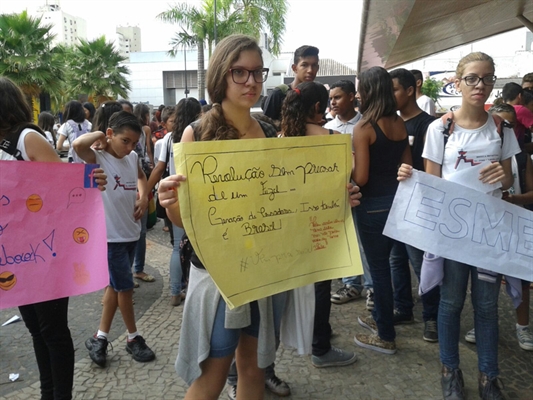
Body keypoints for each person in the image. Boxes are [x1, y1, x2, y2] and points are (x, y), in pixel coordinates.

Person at [398, 52, 521, 400]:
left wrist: (504, 175)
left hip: (488, 234)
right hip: (453, 236)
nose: (479, 85)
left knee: (486, 306)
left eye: (486, 78)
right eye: (472, 78)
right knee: (451, 303)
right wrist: (409, 177)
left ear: (493, 81)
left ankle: (488, 377)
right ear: (458, 82)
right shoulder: (441, 129)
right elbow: (431, 185)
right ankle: (449, 371)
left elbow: (509, 177)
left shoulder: (501, 127)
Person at [0, 76, 107, 400]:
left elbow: (62, 186)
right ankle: (49, 393)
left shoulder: (27, 138)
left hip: (44, 253)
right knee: (35, 328)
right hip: (15, 255)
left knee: (53, 331)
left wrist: (90, 179)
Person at [281, 80, 359, 369]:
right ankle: (320, 346)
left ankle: (300, 335)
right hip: (322, 224)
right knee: (321, 285)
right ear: (317, 107)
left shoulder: (278, 139)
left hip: (287, 225)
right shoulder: (333, 138)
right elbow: (353, 176)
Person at [73, 110, 156, 367]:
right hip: (111, 239)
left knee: (114, 287)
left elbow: (142, 176)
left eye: (134, 143)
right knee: (125, 289)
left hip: (131, 233)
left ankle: (100, 337)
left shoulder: (131, 158)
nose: (130, 147)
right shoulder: (96, 156)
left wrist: (143, 197)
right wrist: (101, 134)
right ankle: (133, 338)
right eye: (125, 141)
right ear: (110, 134)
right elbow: (77, 145)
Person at [463, 103, 533, 352]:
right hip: (487, 230)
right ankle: (482, 323)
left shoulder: (522, 159)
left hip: (515, 228)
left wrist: (513, 199)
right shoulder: (476, 155)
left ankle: (522, 327)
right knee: (485, 282)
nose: (501, 132)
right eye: (498, 126)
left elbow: (530, 193)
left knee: (521, 281)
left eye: (508, 126)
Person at [352, 66, 411, 356]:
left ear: (368, 90)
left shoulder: (364, 127)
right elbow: (406, 167)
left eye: (360, 87)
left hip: (372, 207)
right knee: (389, 266)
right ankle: (382, 321)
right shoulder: (399, 123)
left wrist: (347, 162)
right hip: (397, 204)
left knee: (378, 272)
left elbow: (360, 177)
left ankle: (386, 336)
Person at [389, 68, 440, 342]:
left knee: (421, 262)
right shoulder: (390, 123)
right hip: (396, 203)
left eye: (394, 89)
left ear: (410, 90)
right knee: (396, 259)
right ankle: (403, 308)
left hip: (421, 204)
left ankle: (431, 316)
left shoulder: (429, 125)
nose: (390, 96)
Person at [147, 98, 202, 306]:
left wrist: (149, 193)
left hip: (174, 197)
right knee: (196, 246)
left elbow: (160, 167)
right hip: (195, 196)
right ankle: (190, 289)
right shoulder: (200, 134)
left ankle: (174, 292)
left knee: (178, 248)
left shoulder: (169, 138)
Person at [324, 80, 373, 307]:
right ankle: (351, 284)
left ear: (352, 97)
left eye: (338, 97)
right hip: (337, 196)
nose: (333, 102)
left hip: (363, 193)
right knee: (344, 240)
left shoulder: (364, 125)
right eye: (331, 98)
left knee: (364, 242)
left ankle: (372, 288)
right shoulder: (326, 127)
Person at [262, 45, 319, 122]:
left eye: (314, 65)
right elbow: (266, 128)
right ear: (294, 68)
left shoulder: (318, 95)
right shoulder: (279, 94)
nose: (310, 70)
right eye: (304, 65)